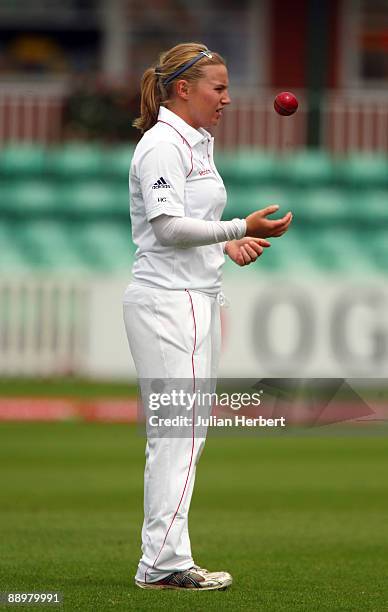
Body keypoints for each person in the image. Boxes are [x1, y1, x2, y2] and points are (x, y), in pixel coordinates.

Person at [123, 42, 292, 591]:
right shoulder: (162, 145)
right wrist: (239, 228)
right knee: (178, 435)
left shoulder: (194, 143)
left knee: (184, 434)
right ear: (183, 89)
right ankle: (164, 565)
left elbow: (187, 226)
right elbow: (167, 228)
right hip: (169, 303)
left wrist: (223, 248)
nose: (227, 98)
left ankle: (163, 560)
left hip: (194, 297)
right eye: (217, 88)